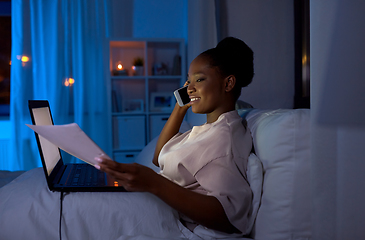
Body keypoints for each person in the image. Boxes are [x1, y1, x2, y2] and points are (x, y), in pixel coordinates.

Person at [95, 37, 254, 236]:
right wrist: (181, 105)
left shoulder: (225, 139)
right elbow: (158, 156)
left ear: (228, 83)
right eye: (188, 81)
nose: (190, 87)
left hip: (166, 218)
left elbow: (231, 218)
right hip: (151, 206)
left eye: (200, 79)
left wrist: (154, 183)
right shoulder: (207, 129)